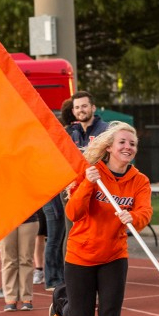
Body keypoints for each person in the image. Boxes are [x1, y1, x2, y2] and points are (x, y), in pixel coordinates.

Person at [49, 121, 153, 316]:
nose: (128, 147)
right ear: (109, 147)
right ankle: (61, 301)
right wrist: (88, 184)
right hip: (81, 255)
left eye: (132, 144)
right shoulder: (91, 173)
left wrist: (133, 217)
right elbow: (73, 213)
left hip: (114, 256)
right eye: (122, 142)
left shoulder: (140, 181)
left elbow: (145, 212)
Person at [42, 92, 109, 291]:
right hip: (73, 190)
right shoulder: (70, 133)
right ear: (73, 111)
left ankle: (100, 277)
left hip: (100, 189)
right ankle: (70, 279)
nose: (81, 110)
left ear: (93, 107)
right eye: (77, 107)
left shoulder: (106, 131)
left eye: (84, 106)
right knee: (71, 232)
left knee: (100, 233)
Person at [0, 212, 38, 311]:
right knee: (8, 261)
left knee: (26, 260)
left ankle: (26, 297)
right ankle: (10, 298)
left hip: (28, 219)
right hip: (4, 220)